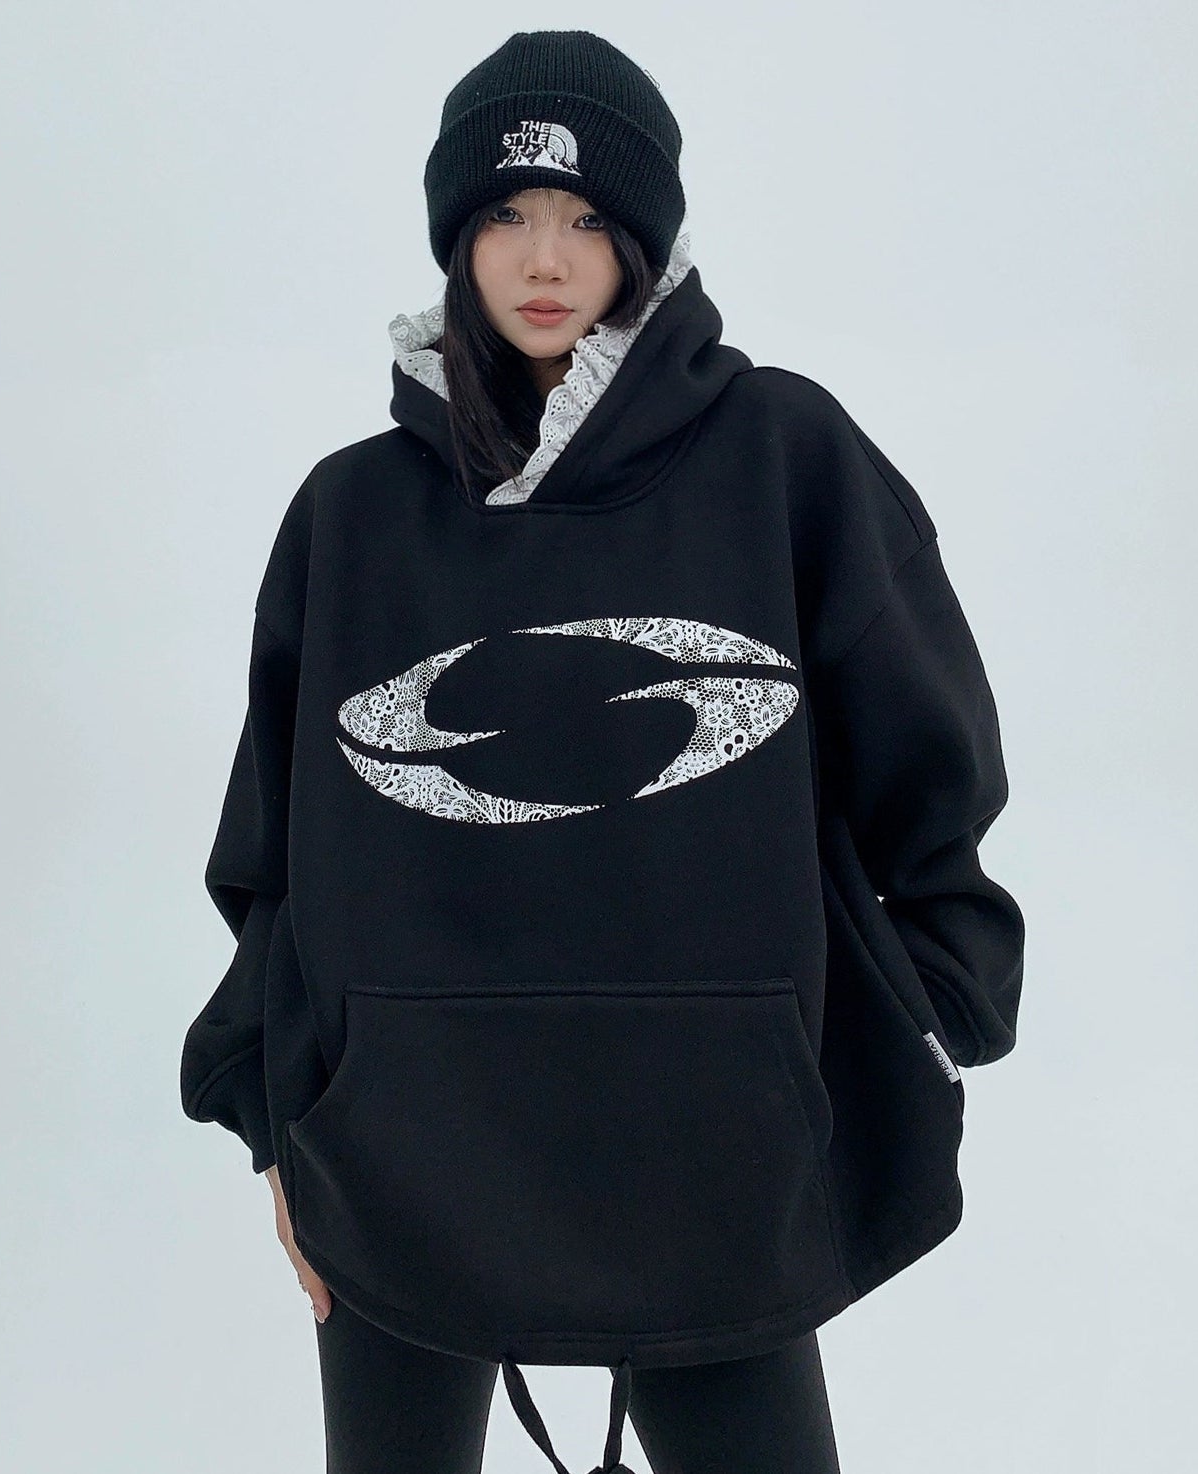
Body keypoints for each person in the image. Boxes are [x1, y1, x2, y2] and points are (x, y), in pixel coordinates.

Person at [180, 29, 1026, 1474]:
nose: (542, 257)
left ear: (645, 236)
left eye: (585, 217)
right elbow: (274, 851)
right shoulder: (350, 514)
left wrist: (925, 1010)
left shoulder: (782, 454)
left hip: (716, 1140)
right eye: (505, 214)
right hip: (401, 1150)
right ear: (456, 240)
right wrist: (285, 1118)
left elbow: (928, 755)